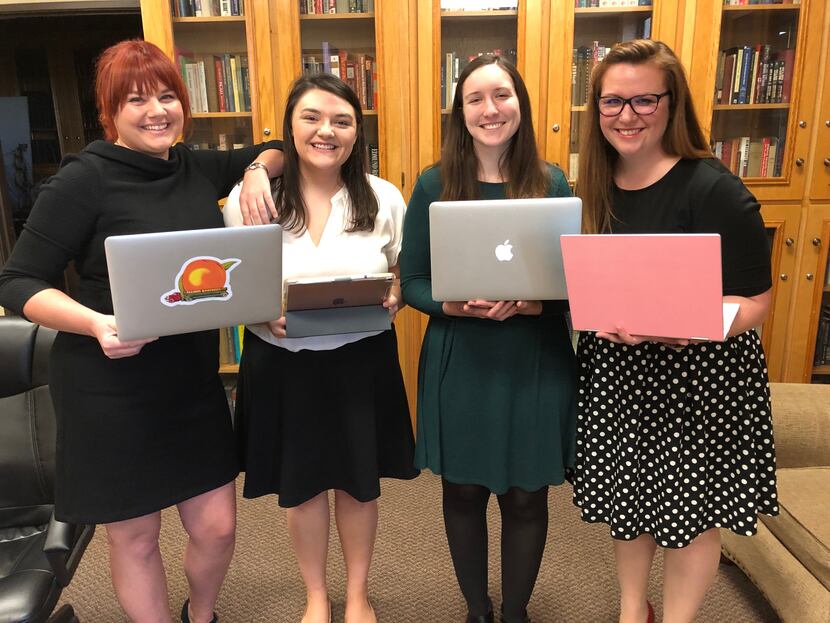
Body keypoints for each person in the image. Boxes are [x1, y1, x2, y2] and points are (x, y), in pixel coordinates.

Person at [0, 39, 284, 623]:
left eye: (166, 96)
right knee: (136, 536)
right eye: (136, 101)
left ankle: (198, 615)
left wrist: (255, 170)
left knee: (217, 527)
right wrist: (97, 322)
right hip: (109, 386)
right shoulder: (83, 181)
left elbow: (279, 149)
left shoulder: (193, 165)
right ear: (111, 113)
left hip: (189, 384)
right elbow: (19, 282)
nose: (157, 111)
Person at [572, 39, 777, 623]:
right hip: (620, 371)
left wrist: (691, 326)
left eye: (644, 101)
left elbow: (757, 303)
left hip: (701, 377)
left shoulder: (713, 188)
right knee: (628, 501)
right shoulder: (591, 186)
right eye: (613, 102)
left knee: (696, 512)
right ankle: (633, 609)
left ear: (671, 103)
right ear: (597, 108)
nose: (628, 116)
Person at [223, 73, 418, 623]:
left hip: (361, 361)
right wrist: (258, 310)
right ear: (289, 125)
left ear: (358, 133)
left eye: (342, 120)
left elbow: (404, 271)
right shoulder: (249, 197)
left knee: (359, 484)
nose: (325, 131)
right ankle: (315, 593)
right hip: (283, 363)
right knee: (302, 486)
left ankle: (357, 593)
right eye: (311, 117)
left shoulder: (383, 197)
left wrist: (396, 294)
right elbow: (232, 285)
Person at [399, 54, 576, 623]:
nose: (489, 109)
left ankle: (517, 612)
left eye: (501, 95)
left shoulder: (550, 183)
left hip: (534, 356)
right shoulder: (434, 183)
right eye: (475, 99)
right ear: (460, 112)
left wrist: (534, 302)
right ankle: (477, 610)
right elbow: (412, 281)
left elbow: (573, 284)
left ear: (520, 105)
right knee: (464, 491)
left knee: (527, 494)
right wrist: (451, 304)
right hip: (462, 357)